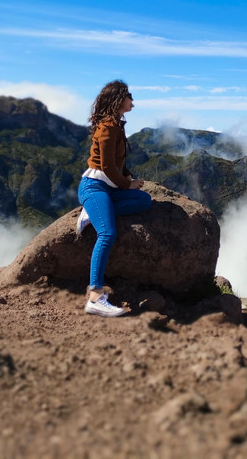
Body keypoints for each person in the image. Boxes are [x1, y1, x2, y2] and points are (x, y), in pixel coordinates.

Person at [77, 80, 152, 317]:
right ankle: (95, 297)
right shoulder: (108, 126)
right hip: (95, 187)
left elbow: (118, 162)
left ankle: (96, 213)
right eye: (129, 95)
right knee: (107, 233)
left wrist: (130, 177)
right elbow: (107, 166)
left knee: (144, 200)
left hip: (108, 188)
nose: (133, 100)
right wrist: (126, 184)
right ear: (119, 99)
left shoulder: (117, 124)